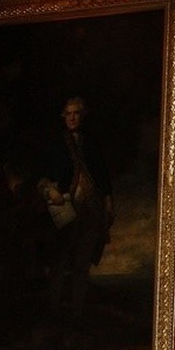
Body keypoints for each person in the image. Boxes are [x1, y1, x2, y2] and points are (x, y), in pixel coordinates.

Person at [37, 96, 115, 324]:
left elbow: (102, 174)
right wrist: (49, 190)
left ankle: (76, 315)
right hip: (66, 207)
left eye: (76, 113)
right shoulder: (55, 144)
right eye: (68, 114)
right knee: (60, 260)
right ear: (63, 117)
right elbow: (42, 176)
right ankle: (53, 312)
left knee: (82, 262)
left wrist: (109, 201)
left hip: (91, 207)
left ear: (82, 116)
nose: (72, 117)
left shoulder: (91, 143)